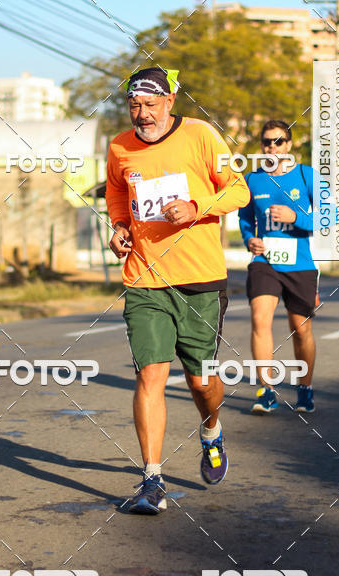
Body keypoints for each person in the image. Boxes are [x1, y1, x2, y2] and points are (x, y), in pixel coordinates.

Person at [106, 66, 250, 514]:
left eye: (150, 104)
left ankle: (210, 429)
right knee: (151, 374)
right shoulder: (119, 147)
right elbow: (115, 192)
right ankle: (151, 478)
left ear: (170, 101)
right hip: (145, 278)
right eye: (134, 105)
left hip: (200, 281)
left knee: (201, 380)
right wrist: (117, 227)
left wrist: (197, 207)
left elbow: (239, 191)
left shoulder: (201, 136)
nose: (142, 114)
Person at [238, 120, 318, 414]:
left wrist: (295, 217)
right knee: (260, 319)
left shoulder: (306, 175)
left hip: (300, 262)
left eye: (279, 141)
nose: (272, 147)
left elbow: (328, 219)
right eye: (267, 142)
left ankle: (305, 389)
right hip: (265, 261)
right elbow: (245, 218)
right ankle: (266, 390)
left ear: (290, 144)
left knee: (300, 329)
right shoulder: (253, 179)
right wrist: (250, 240)